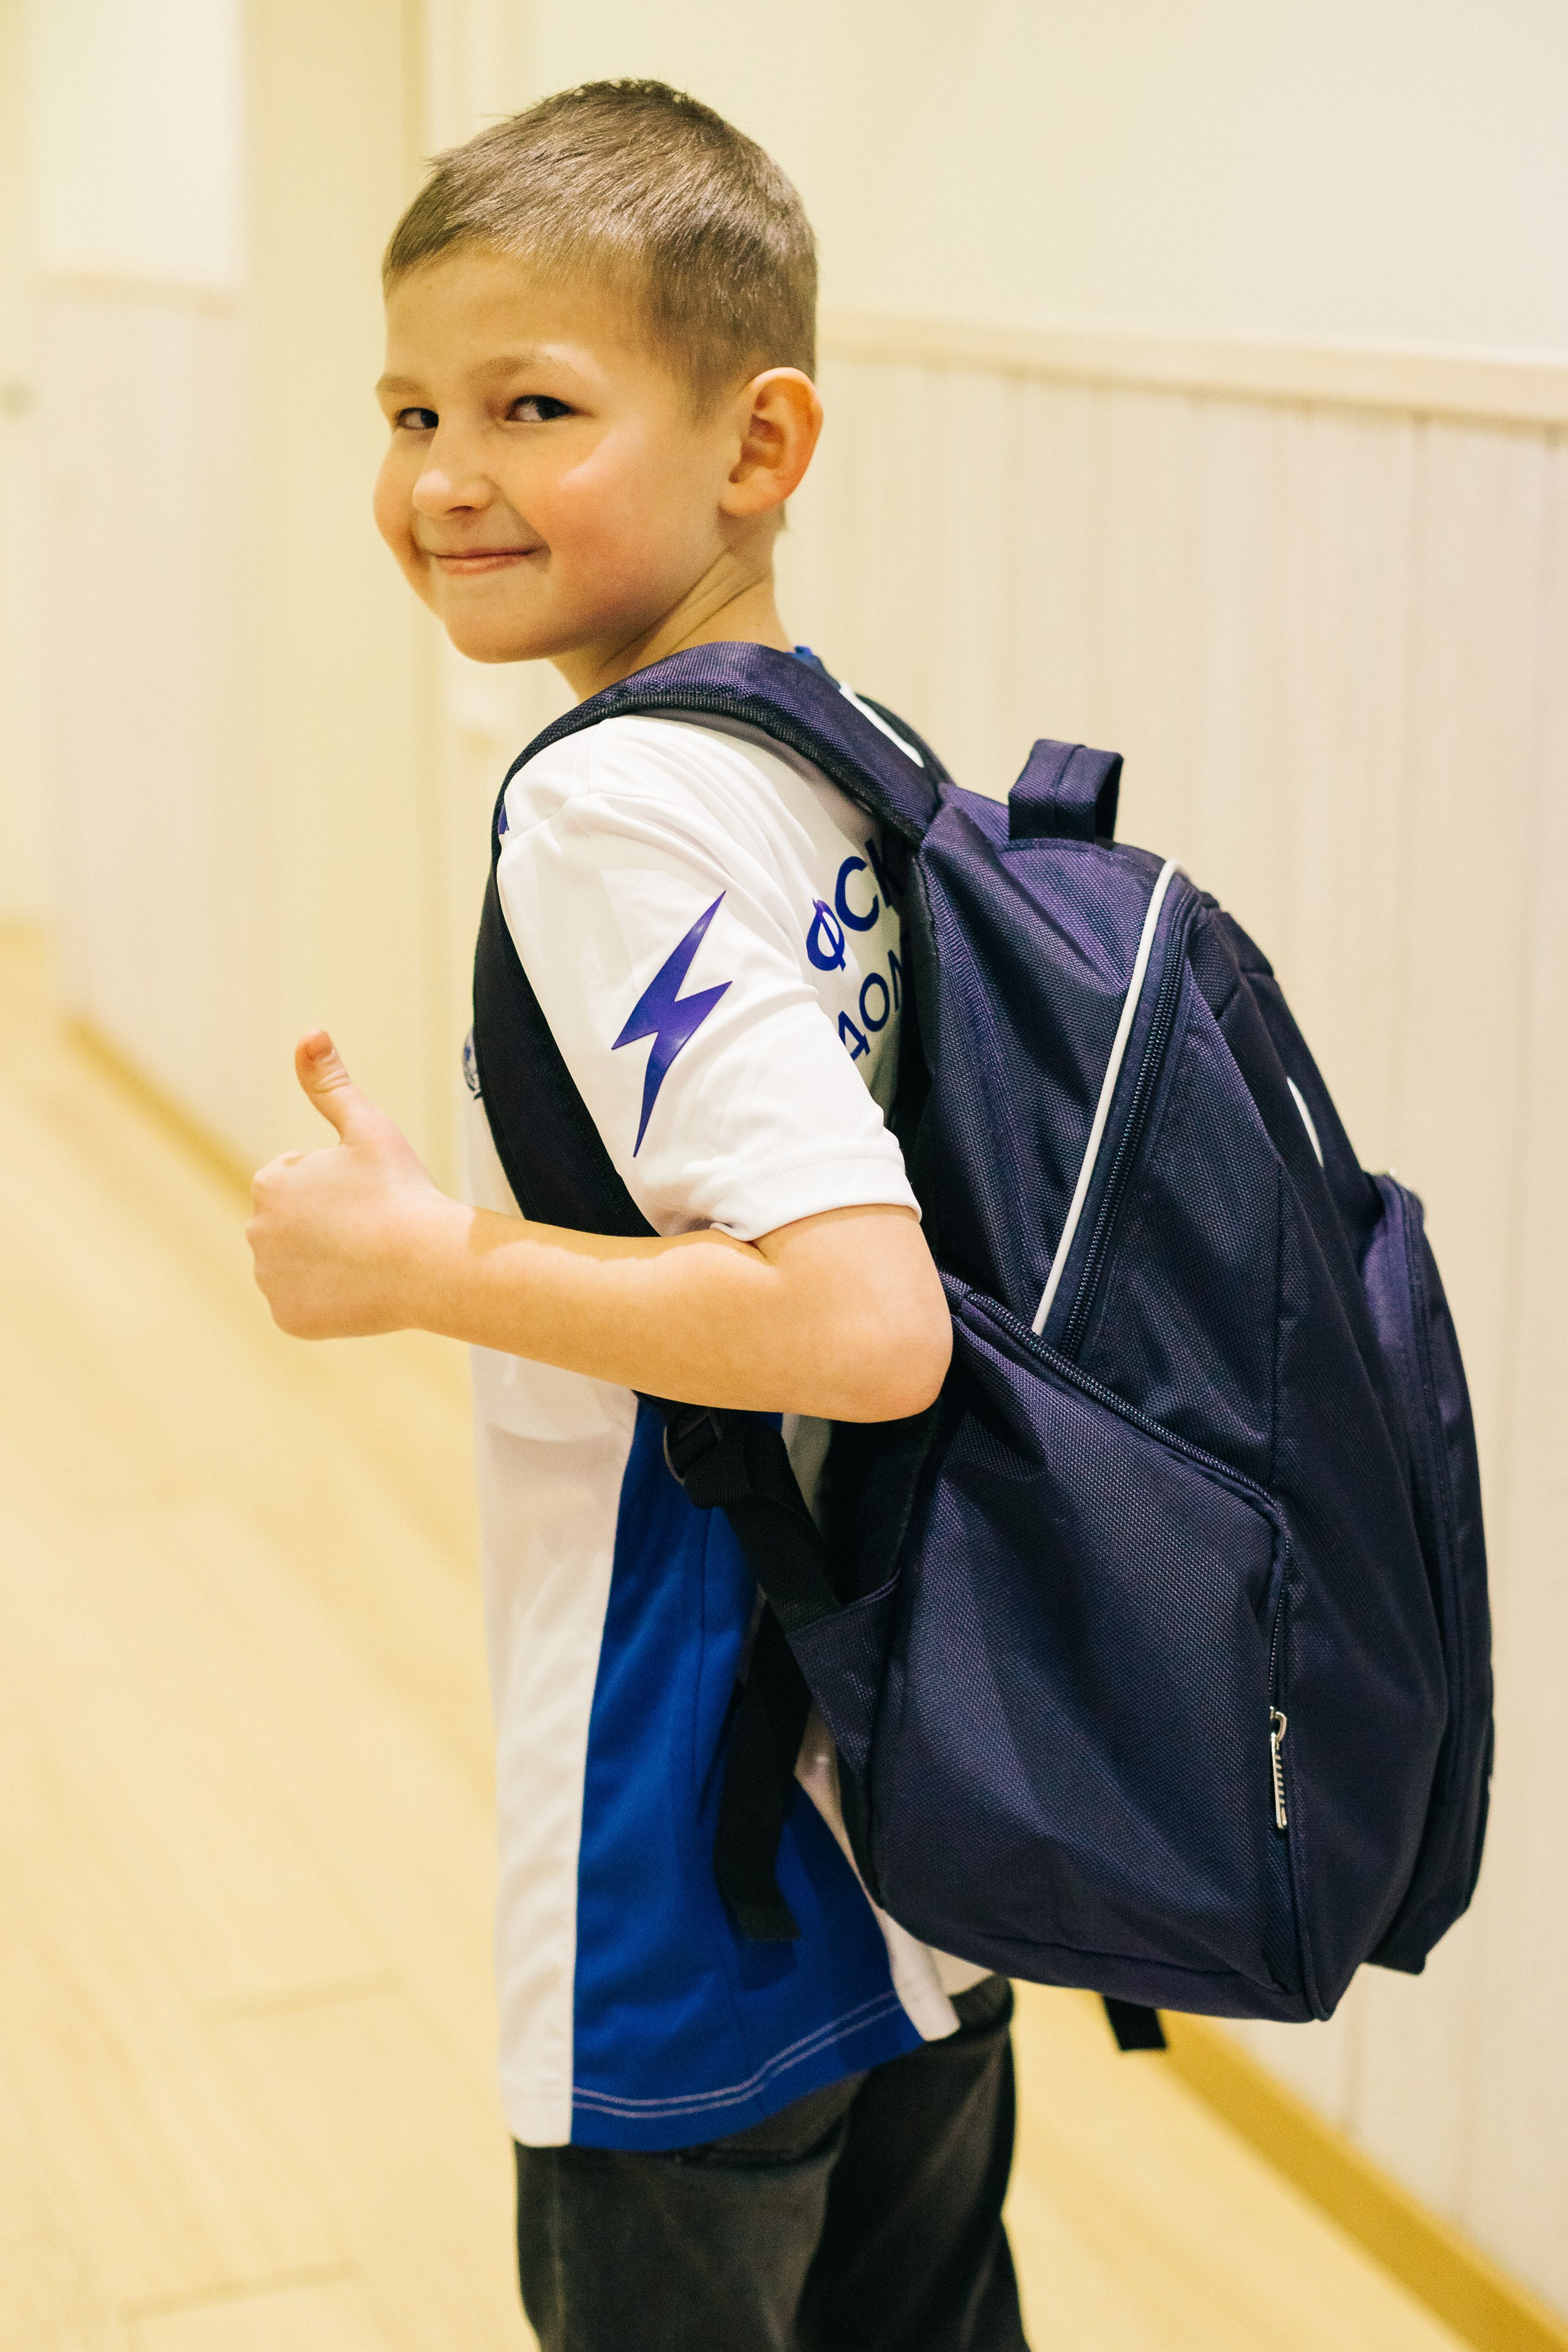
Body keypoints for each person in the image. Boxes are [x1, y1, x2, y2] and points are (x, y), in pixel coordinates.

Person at [246, 78, 1028, 2352]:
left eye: (533, 404)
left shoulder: (608, 819)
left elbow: (863, 1319)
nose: (443, 476)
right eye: (408, 408)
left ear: (758, 443)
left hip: (692, 1843)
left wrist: (418, 1268)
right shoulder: (835, 744)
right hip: (915, 1801)